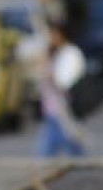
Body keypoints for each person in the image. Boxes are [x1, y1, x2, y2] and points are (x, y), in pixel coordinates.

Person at [34, 22, 88, 159]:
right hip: (52, 110)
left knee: (45, 154)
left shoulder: (71, 54)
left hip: (64, 110)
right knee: (72, 150)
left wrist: (48, 72)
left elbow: (64, 82)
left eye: (53, 34)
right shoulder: (54, 53)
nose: (51, 38)